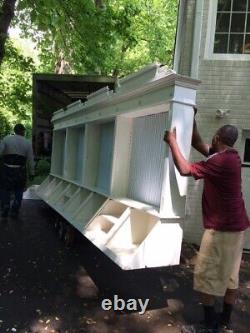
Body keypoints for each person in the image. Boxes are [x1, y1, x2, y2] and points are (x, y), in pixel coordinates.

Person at [164, 109, 250, 333]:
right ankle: (224, 323)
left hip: (221, 230)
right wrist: (190, 116)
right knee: (230, 276)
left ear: (217, 138)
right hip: (237, 228)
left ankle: (209, 326)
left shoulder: (219, 162)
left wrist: (172, 141)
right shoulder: (229, 156)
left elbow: (184, 169)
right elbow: (197, 142)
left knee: (204, 276)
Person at [0, 124, 34, 219]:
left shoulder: (6, 139)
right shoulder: (27, 142)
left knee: (5, 189)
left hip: (7, 169)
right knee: (18, 190)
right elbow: (30, 159)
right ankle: (15, 210)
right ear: (23, 131)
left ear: (14, 130)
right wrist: (32, 173)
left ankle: (5, 206)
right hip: (20, 170)